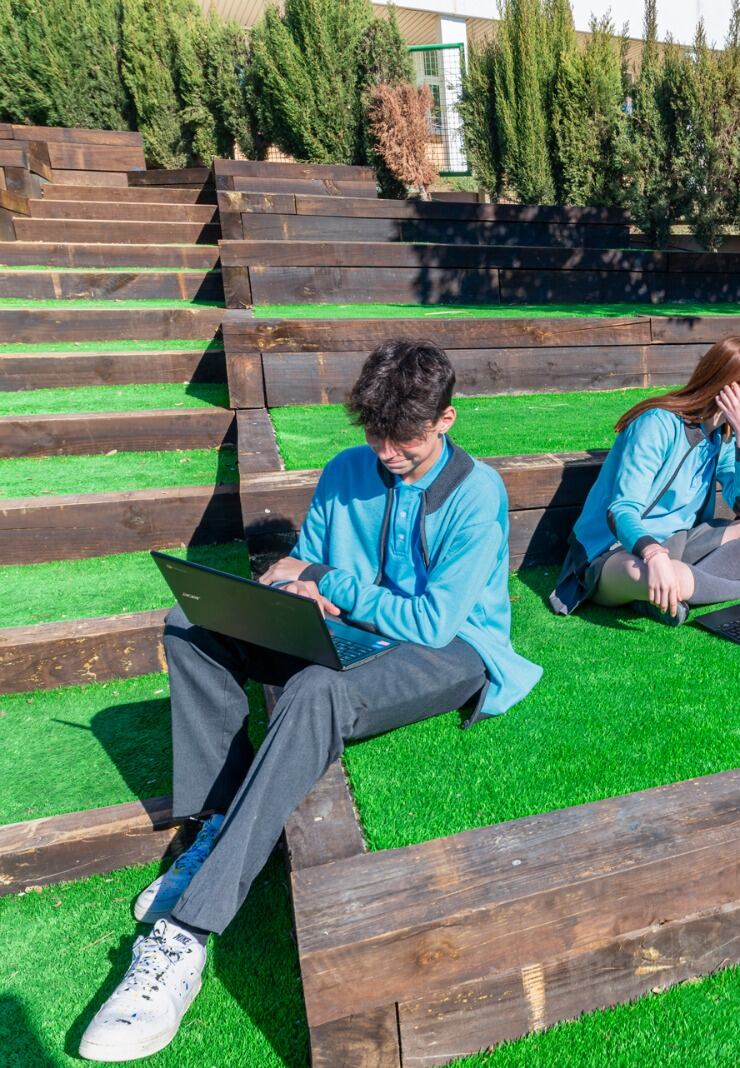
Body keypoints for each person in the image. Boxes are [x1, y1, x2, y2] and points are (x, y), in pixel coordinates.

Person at [80, 339, 541, 1061]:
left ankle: (184, 937)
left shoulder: (477, 493)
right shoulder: (345, 469)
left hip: (455, 653)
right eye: (376, 434)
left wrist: (331, 582)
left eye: (407, 439)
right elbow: (303, 573)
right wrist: (299, 590)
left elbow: (430, 622)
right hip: (350, 632)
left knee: (317, 691)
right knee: (191, 623)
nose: (388, 452)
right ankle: (211, 831)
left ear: (446, 419)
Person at [549, 335, 740, 626]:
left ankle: (666, 595)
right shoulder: (656, 424)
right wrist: (654, 555)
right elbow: (621, 510)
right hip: (614, 552)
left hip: (679, 542)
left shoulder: (723, 434)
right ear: (730, 386)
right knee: (667, 575)